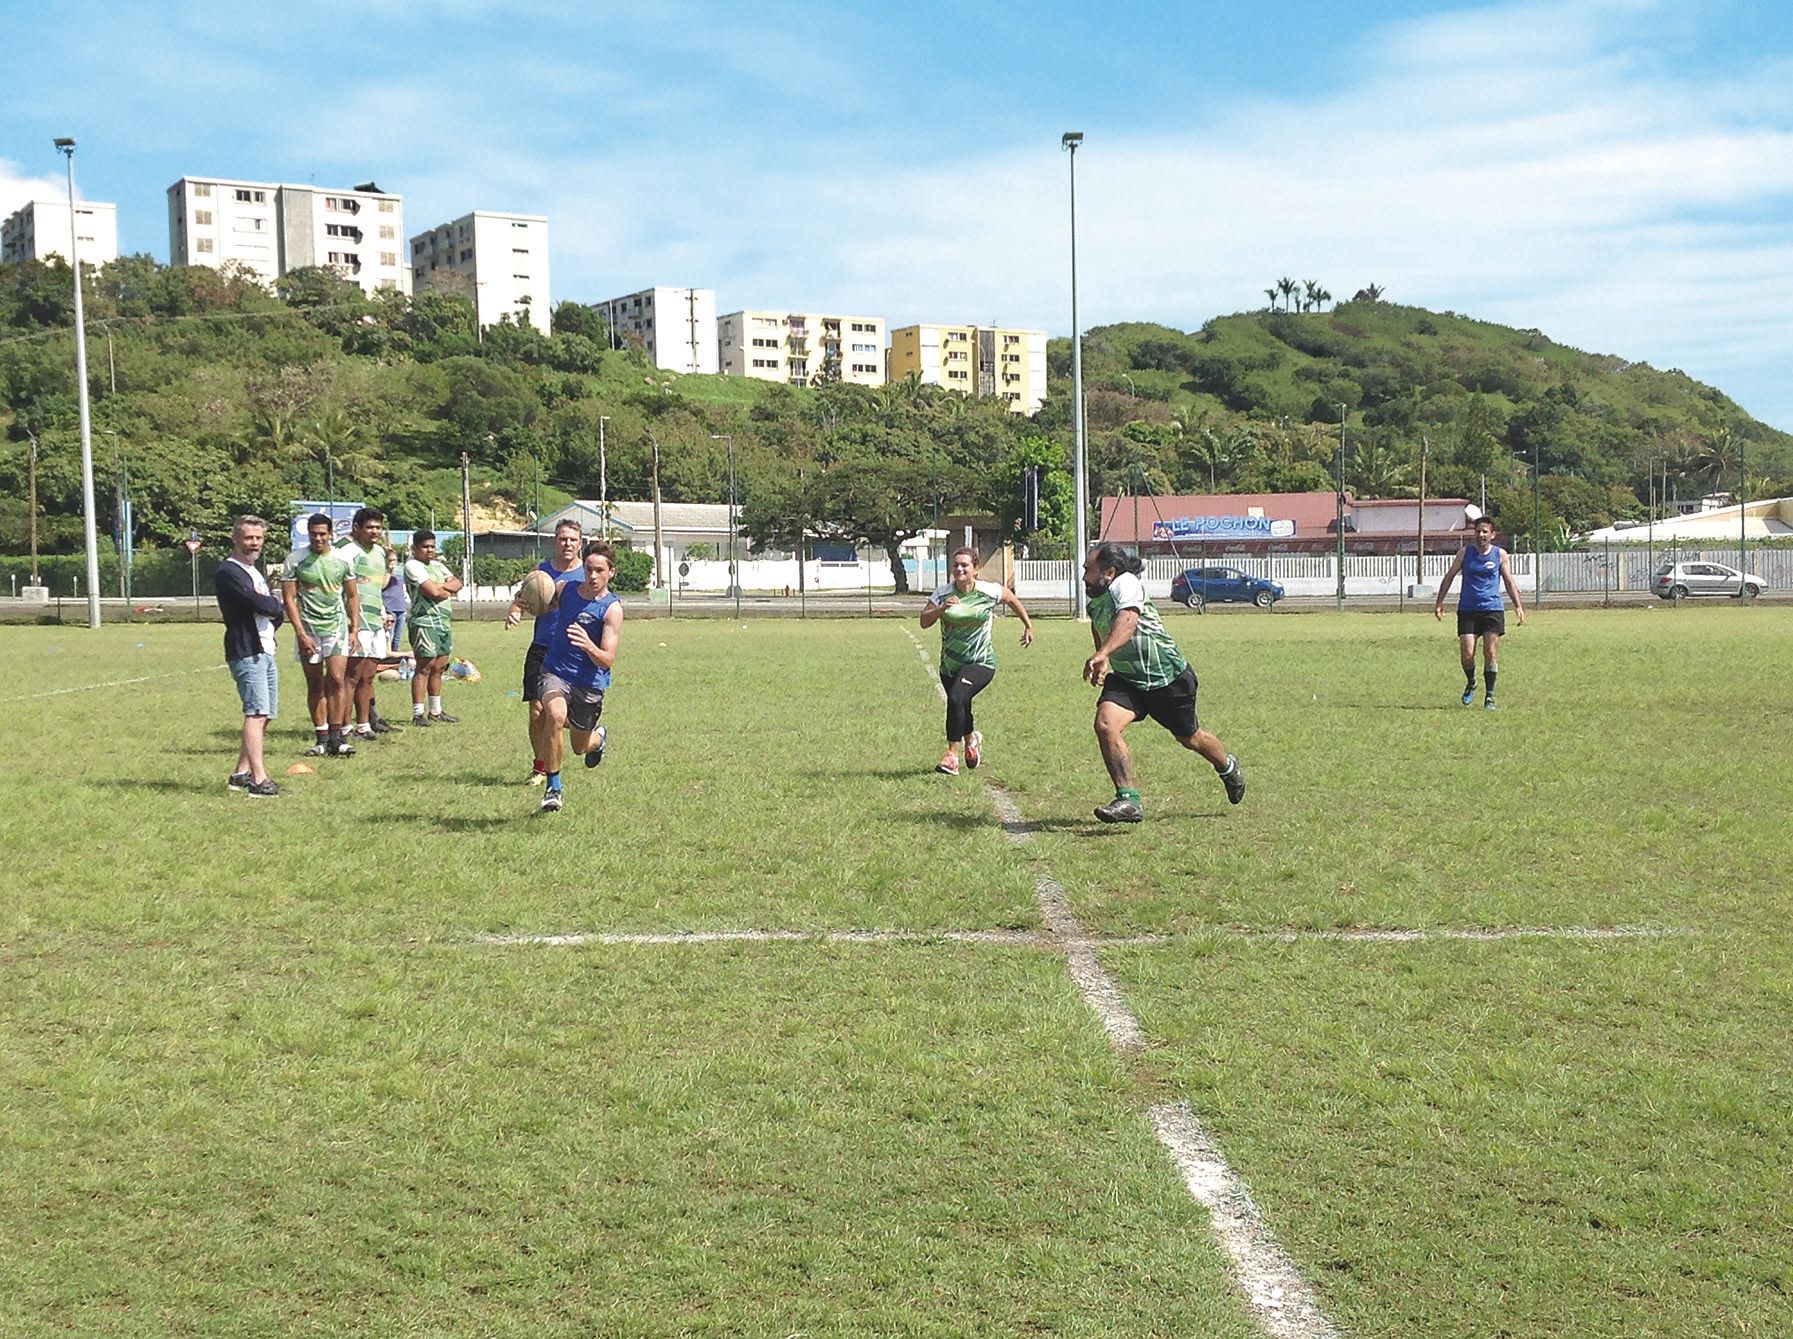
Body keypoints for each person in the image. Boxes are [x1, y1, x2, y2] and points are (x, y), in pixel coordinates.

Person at [1081, 541, 1244, 824]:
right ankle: (1128, 799)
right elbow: (1101, 627)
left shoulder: (1126, 584)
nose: (1084, 576)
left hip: (1167, 678)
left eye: (1088, 570)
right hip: (1128, 680)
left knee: (1190, 738)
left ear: (1109, 572)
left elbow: (1128, 620)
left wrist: (1103, 652)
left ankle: (1228, 767)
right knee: (1105, 725)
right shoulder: (1095, 600)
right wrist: (1103, 658)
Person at [919, 546, 1034, 775]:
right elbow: (923, 621)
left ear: (976, 569)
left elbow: (1011, 599)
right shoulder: (942, 593)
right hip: (950, 665)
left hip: (980, 662)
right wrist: (942, 609)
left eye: (965, 565)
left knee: (956, 696)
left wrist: (1028, 625)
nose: (959, 569)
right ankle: (971, 740)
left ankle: (952, 756)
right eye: (956, 565)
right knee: (961, 705)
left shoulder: (987, 591)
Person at [533, 539, 623, 813]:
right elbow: (539, 598)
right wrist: (519, 603)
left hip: (589, 682)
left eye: (599, 570)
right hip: (556, 671)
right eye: (588, 569)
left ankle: (599, 740)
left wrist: (587, 644)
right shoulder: (567, 590)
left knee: (580, 746)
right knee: (555, 716)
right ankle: (554, 788)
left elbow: (607, 659)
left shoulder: (611, 609)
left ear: (611, 572)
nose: (593, 576)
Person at [503, 518, 585, 785]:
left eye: (572, 539)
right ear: (555, 542)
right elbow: (522, 597)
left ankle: (584, 735)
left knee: (563, 718)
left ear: (580, 543)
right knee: (537, 713)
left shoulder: (587, 575)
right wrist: (515, 609)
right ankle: (540, 769)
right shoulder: (541, 573)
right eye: (562, 538)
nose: (567, 544)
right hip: (541, 649)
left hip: (572, 652)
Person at [215, 514, 284, 797]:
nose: (253, 543)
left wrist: (272, 607)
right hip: (246, 650)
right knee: (255, 712)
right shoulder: (229, 571)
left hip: (266, 649)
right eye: (248, 537)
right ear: (235, 539)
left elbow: (271, 608)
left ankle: (241, 773)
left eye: (258, 538)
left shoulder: (255, 571)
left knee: (266, 714)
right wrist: (272, 605)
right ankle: (259, 779)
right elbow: (257, 601)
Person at [280, 512, 359, 757]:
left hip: (335, 628)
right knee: (314, 682)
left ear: (330, 534)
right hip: (310, 630)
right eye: (313, 533)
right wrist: (300, 633)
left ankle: (338, 737)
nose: (318, 538)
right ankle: (321, 737)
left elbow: (353, 595)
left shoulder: (343, 559)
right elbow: (289, 598)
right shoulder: (295, 559)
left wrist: (354, 628)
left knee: (336, 679)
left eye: (322, 534)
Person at [1434, 515, 1526, 710]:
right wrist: (1439, 602)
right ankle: (1471, 681)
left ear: (1492, 535)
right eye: (1477, 531)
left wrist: (1518, 605)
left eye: (1485, 531)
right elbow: (1449, 576)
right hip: (1468, 609)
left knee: (1490, 652)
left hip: (1492, 608)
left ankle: (1490, 696)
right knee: (1467, 654)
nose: (1481, 535)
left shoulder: (1500, 555)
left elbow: (1509, 581)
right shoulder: (1464, 553)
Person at [336, 506, 397, 742]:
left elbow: (375, 587)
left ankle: (364, 725)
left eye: (378, 527)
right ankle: (344, 727)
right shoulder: (346, 550)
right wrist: (350, 620)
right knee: (351, 676)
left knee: (368, 676)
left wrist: (382, 612)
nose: (374, 531)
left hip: (375, 622)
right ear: (357, 528)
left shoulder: (380, 553)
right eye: (369, 527)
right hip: (356, 622)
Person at [404, 530, 463, 725]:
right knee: (424, 666)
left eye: (432, 546)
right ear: (415, 548)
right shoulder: (413, 565)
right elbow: (432, 591)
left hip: (443, 622)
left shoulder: (438, 565)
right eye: (425, 546)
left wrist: (442, 588)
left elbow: (458, 583)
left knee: (439, 667)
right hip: (424, 621)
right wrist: (443, 588)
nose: (429, 550)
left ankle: (436, 711)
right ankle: (418, 713)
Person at [383, 547, 410, 669]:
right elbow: (382, 586)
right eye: (390, 560)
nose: (393, 563)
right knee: (390, 635)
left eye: (395, 560)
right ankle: (387, 660)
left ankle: (395, 661)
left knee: (398, 638)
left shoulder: (401, 570)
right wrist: (388, 570)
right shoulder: (383, 571)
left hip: (401, 608)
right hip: (389, 608)